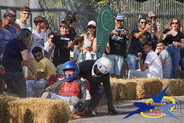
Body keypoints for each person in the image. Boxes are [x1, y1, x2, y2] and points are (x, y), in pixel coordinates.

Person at [3, 29, 37, 97]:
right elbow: (26, 60)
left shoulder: (10, 43)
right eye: (29, 38)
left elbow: (2, 56)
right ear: (26, 38)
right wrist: (35, 73)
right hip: (16, 72)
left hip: (6, 72)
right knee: (22, 93)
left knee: (12, 94)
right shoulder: (21, 44)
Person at [107, 14, 132, 78]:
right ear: (115, 21)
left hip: (120, 54)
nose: (120, 23)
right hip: (110, 53)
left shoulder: (124, 30)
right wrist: (111, 32)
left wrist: (126, 33)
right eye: (118, 21)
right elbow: (103, 34)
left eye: (121, 21)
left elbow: (130, 37)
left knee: (117, 74)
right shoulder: (110, 29)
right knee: (110, 73)